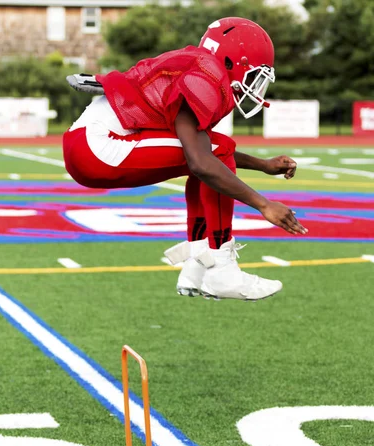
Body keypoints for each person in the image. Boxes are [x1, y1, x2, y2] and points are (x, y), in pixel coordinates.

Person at [63, 16, 307, 301]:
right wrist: (263, 205)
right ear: (232, 62)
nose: (255, 84)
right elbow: (202, 162)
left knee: (216, 152)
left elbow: (201, 155)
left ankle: (197, 266)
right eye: (254, 74)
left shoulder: (199, 66)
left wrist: (263, 166)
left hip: (86, 145)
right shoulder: (205, 75)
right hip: (97, 148)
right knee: (215, 154)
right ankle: (221, 269)